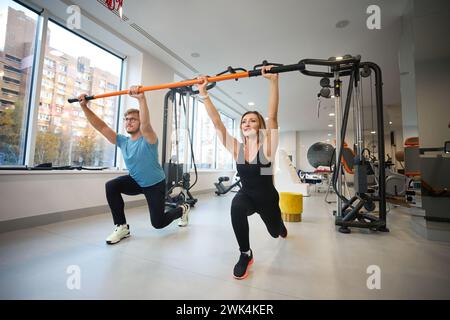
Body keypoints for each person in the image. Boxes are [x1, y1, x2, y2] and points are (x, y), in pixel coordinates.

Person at [196, 66, 287, 280]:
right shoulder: (237, 148)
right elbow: (218, 124)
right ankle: (245, 254)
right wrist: (204, 93)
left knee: (275, 233)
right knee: (236, 206)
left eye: (252, 120)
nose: (247, 123)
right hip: (247, 195)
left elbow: (272, 116)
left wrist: (273, 81)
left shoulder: (267, 147)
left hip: (267, 199)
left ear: (260, 126)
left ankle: (280, 224)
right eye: (244, 121)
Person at [78, 86, 190, 245]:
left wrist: (141, 99)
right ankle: (121, 227)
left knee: (158, 223)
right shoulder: (123, 142)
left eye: (133, 119)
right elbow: (101, 127)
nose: (128, 122)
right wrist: (84, 107)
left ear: (139, 122)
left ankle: (182, 209)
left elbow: (146, 125)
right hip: (136, 181)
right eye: (126, 119)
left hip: (154, 184)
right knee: (111, 186)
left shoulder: (149, 139)